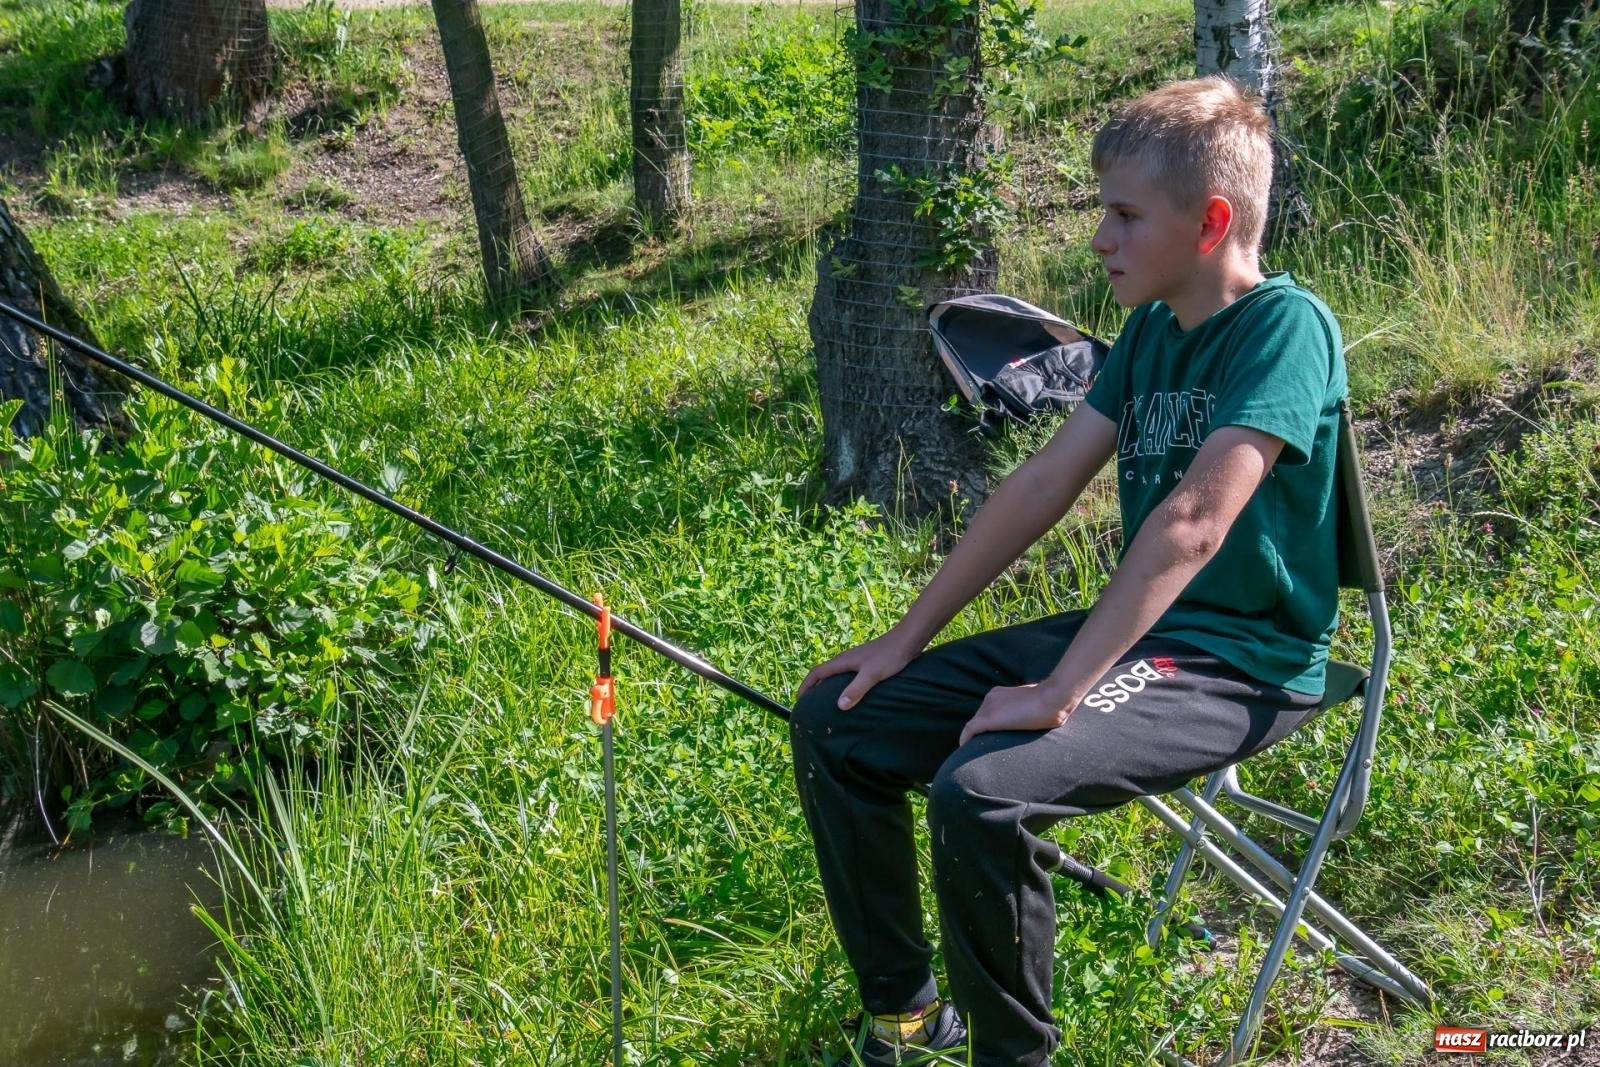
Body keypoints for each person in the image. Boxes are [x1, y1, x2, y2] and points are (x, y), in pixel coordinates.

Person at [789, 75, 1349, 1067]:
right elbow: (1041, 482)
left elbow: (1192, 522)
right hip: (1153, 635)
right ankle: (910, 1018)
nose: (1099, 238)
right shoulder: (1147, 335)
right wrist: (901, 641)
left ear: (1211, 220)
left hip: (1242, 659)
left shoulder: (1282, 328)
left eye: (1123, 215)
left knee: (983, 789)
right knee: (840, 716)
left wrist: (1060, 688)